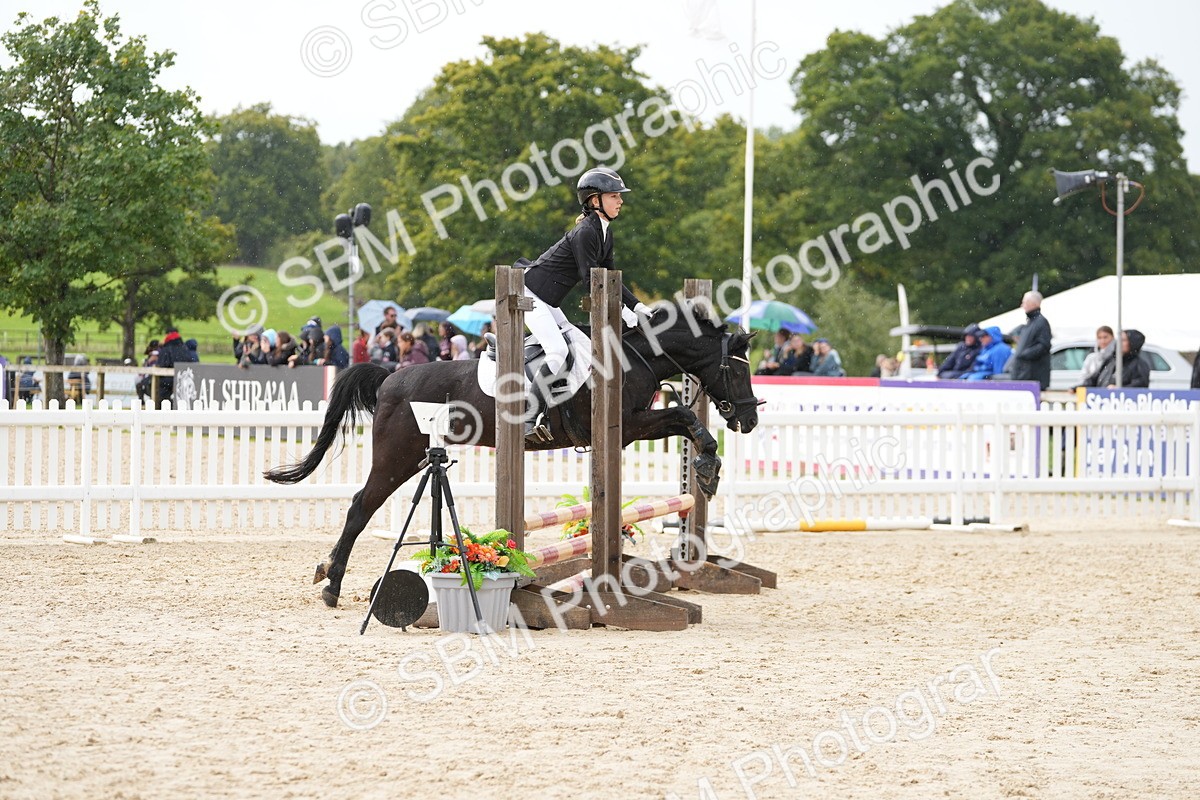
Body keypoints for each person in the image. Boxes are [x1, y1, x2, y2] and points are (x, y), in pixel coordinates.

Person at [518, 166, 650, 443]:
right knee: (556, 352)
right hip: (530, 295)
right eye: (615, 196)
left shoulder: (604, 232)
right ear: (595, 200)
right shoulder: (586, 233)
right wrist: (624, 312)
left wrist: (637, 307)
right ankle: (529, 418)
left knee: (581, 347)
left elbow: (611, 278)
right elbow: (591, 280)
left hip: (547, 299)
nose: (621, 201)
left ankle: (554, 407)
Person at [1008, 291, 1052, 388]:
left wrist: (1023, 354)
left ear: (1033, 303)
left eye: (1025, 302)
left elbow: (1043, 346)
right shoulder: (1031, 323)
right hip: (1024, 375)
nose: (1022, 305)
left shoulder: (1041, 322)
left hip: (1031, 376)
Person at [155, 327, 197, 405]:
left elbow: (161, 364)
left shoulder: (166, 349)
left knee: (163, 398)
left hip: (167, 381)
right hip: (183, 380)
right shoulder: (184, 348)